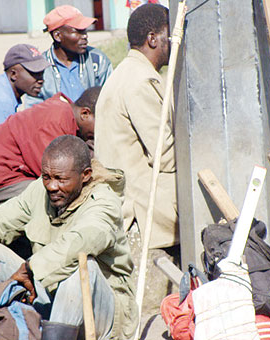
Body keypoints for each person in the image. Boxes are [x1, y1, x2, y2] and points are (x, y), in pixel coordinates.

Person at [0, 135, 138, 340]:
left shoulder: (104, 202)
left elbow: (80, 242)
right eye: (46, 177)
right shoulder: (40, 190)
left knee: (81, 266)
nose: (52, 186)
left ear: (85, 175)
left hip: (103, 314)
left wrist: (30, 269)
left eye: (61, 180)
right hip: (50, 299)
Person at [94, 4, 178, 249]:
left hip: (123, 194)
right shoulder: (141, 81)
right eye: (169, 36)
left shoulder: (126, 71)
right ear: (153, 39)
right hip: (138, 205)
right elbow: (166, 157)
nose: (174, 42)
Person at [0, 87, 101, 213]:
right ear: (85, 114)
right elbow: (54, 174)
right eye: (101, 124)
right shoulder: (56, 118)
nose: (100, 132)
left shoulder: (65, 111)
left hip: (2, 173)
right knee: (55, 195)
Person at [25, 5, 112, 108]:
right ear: (57, 36)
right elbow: (33, 110)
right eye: (78, 31)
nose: (85, 36)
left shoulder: (97, 60)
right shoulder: (39, 68)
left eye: (84, 30)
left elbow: (111, 98)